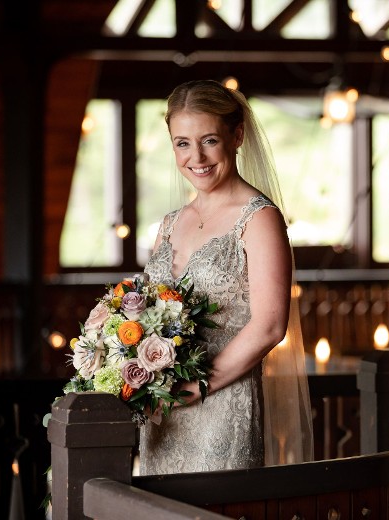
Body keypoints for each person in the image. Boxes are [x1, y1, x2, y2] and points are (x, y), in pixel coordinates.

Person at [138, 79, 313, 475]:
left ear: (237, 135)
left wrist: (198, 386)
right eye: (182, 143)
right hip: (164, 415)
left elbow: (269, 326)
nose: (195, 156)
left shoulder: (259, 219)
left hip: (222, 406)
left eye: (209, 140)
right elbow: (147, 312)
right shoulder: (169, 225)